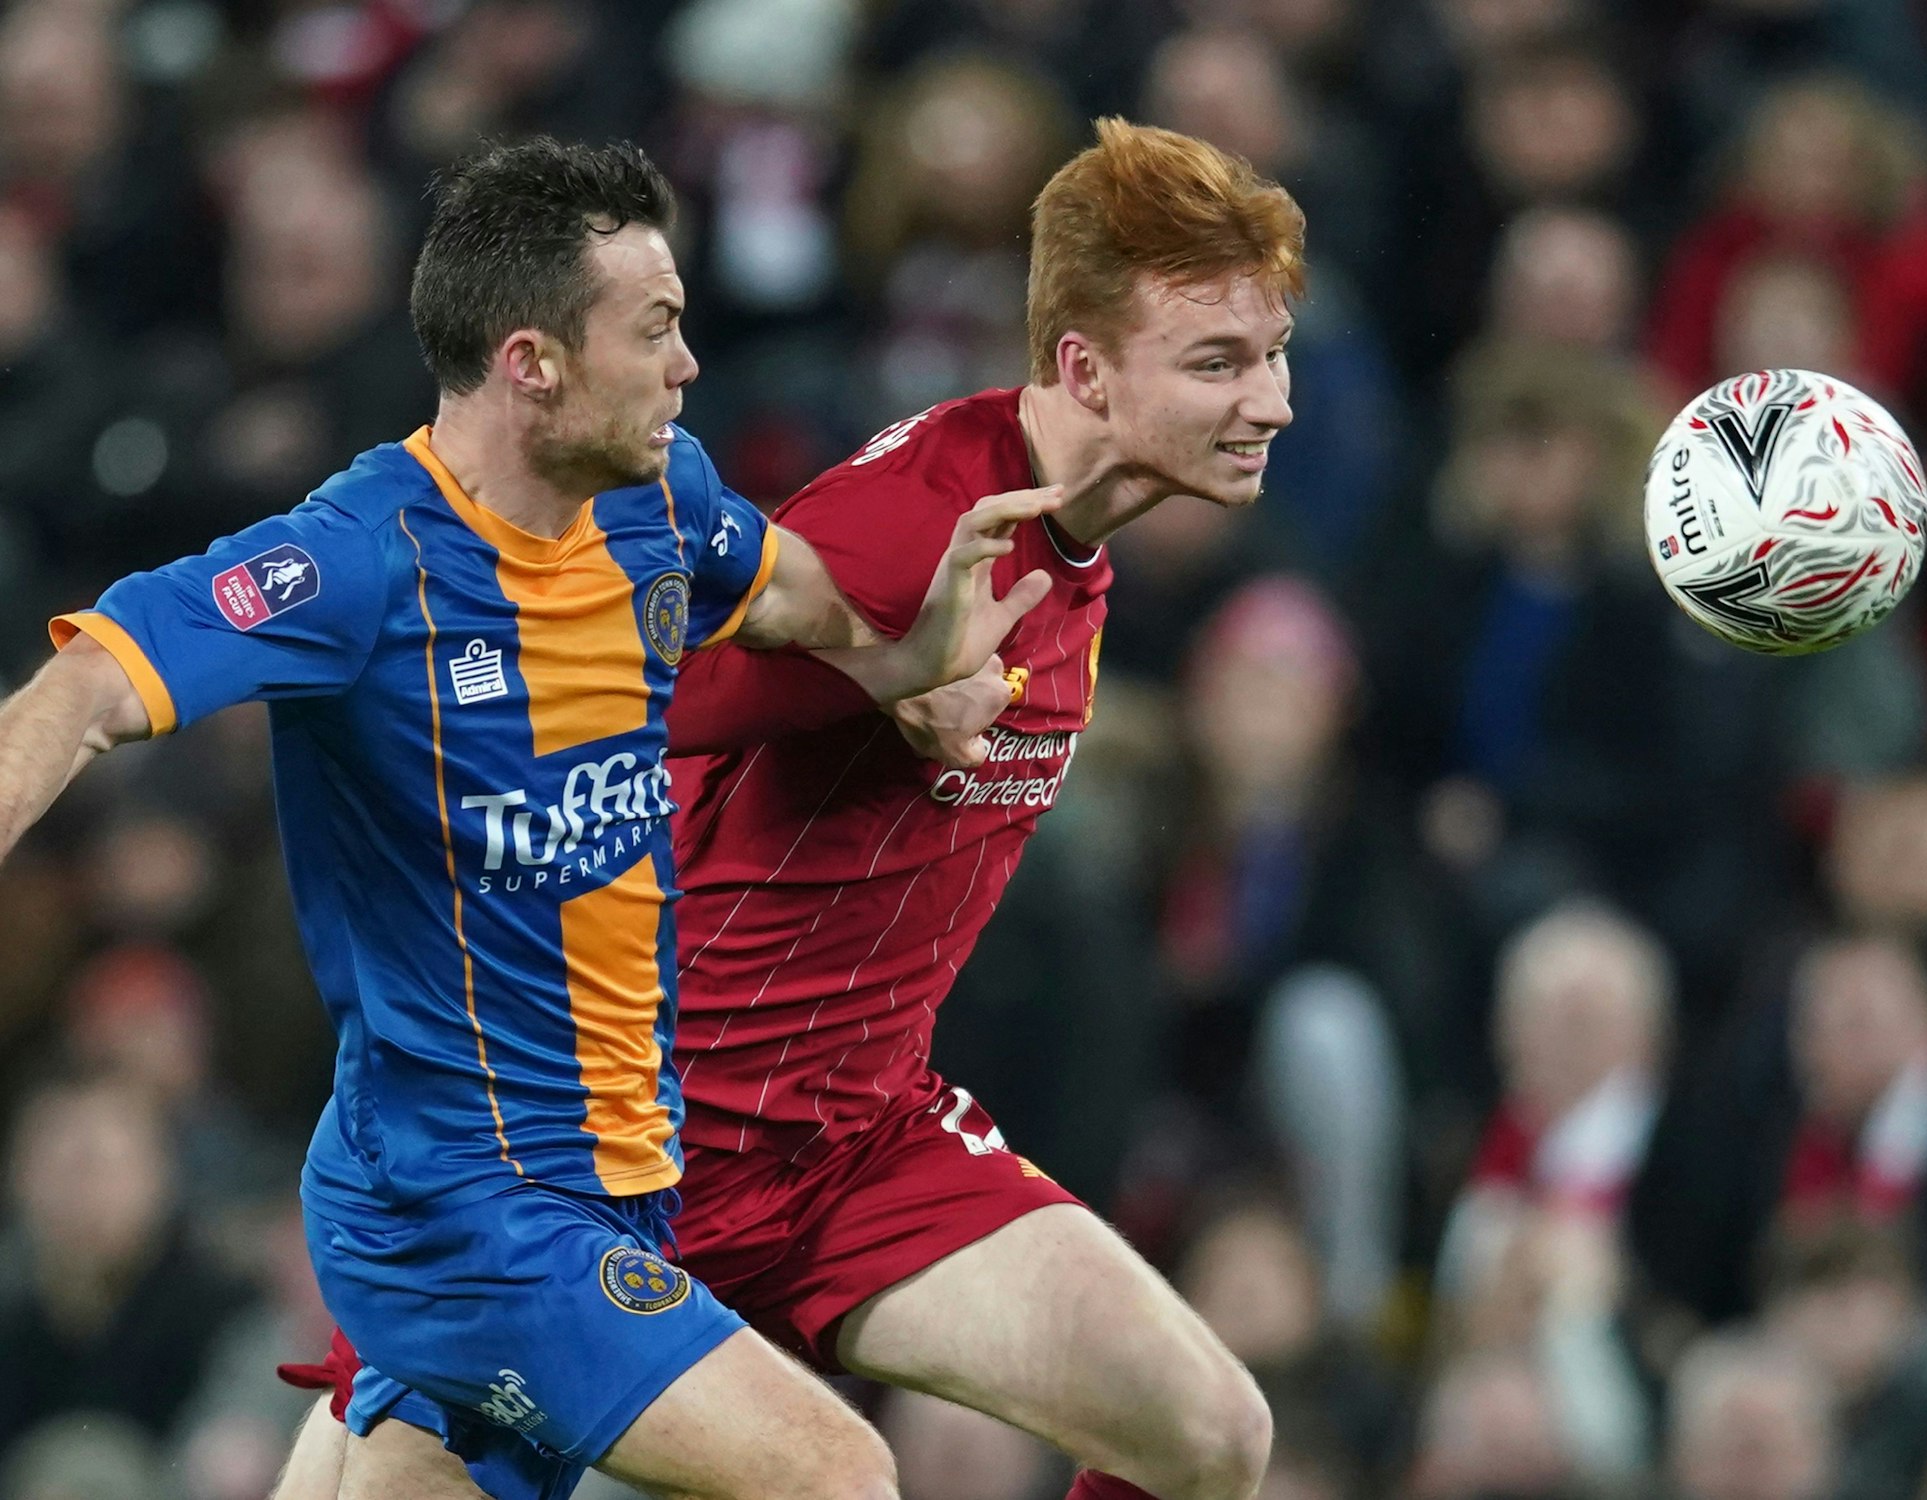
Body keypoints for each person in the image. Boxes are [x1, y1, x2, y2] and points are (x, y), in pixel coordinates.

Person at [0, 135, 1057, 1500]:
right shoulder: (356, 561)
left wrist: (921, 669)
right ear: (532, 363)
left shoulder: (656, 503)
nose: (689, 366)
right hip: (463, 1211)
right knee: (834, 1476)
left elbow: (800, 602)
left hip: (610, 1176)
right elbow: (86, 685)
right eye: (658, 329)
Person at [286, 118, 1299, 1500]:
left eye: (1274, 353)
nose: (1272, 402)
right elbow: (619, 700)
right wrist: (877, 672)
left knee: (1207, 1435)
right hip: (625, 1156)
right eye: (1219, 364)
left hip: (849, 1142)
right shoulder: (913, 532)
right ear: (1083, 368)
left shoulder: (1067, 540)